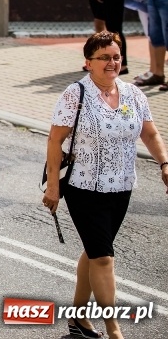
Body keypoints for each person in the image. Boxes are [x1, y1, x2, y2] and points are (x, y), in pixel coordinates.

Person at [43, 31, 168, 339]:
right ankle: (114, 331)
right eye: (104, 58)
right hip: (83, 186)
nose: (111, 63)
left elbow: (150, 134)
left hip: (121, 186)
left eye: (116, 57)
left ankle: (78, 319)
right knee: (102, 257)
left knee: (94, 250)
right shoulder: (76, 94)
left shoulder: (133, 94)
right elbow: (55, 140)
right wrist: (53, 187)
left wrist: (165, 163)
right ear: (88, 63)